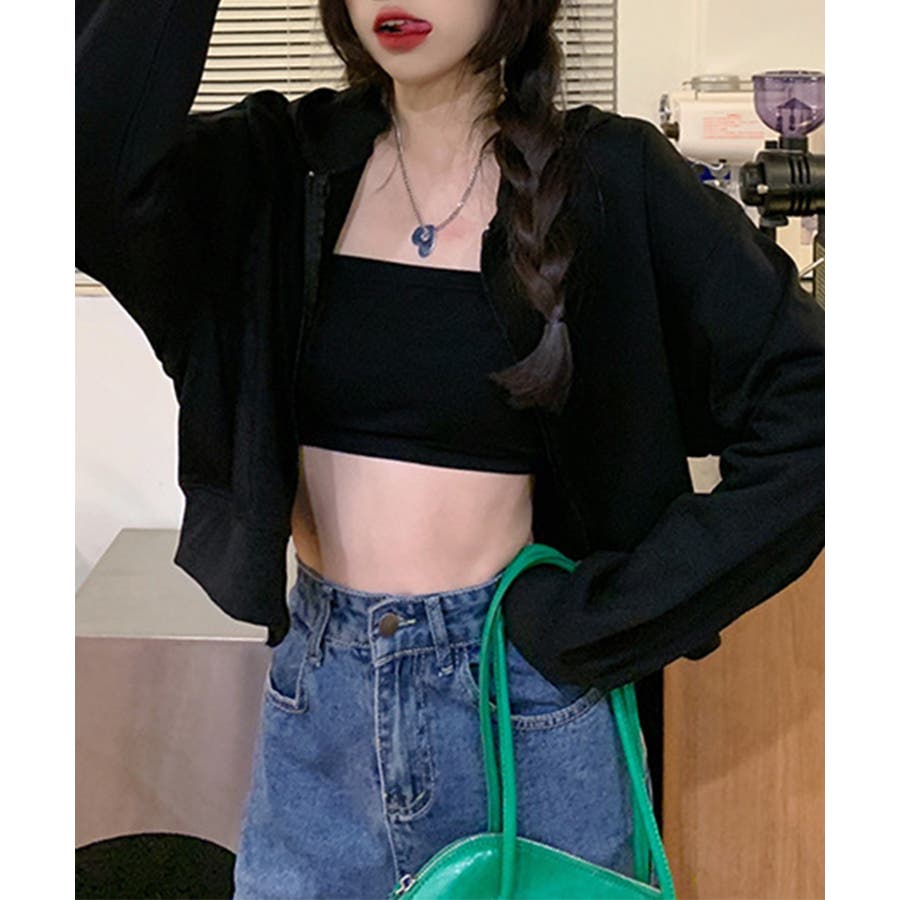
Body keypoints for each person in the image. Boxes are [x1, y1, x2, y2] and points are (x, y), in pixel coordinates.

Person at [76, 1, 825, 897]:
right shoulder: (276, 167)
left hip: (523, 717)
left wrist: (613, 615)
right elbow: (78, 165)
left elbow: (818, 408)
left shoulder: (609, 176)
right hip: (320, 721)